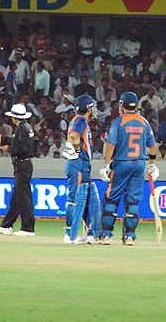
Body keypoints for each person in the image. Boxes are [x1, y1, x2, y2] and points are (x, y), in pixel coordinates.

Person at [99, 92, 159, 245]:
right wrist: (151, 165)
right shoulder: (144, 122)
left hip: (121, 163)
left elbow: (110, 145)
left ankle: (106, 235)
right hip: (139, 164)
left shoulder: (118, 122)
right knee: (133, 201)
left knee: (112, 198)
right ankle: (130, 236)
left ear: (122, 104)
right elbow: (153, 147)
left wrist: (106, 165)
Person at [0, 103, 36, 236]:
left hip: (22, 165)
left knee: (24, 198)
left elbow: (22, 148)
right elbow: (19, 142)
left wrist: (8, 149)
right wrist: (4, 139)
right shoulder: (26, 127)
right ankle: (7, 225)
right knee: (17, 198)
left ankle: (28, 228)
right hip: (24, 165)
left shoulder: (21, 129)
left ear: (13, 117)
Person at [63, 94, 101, 245]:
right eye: (92, 107)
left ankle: (90, 233)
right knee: (74, 199)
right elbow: (74, 135)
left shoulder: (79, 120)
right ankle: (69, 234)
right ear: (88, 107)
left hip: (82, 164)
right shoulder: (80, 120)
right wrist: (78, 149)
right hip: (78, 163)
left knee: (87, 199)